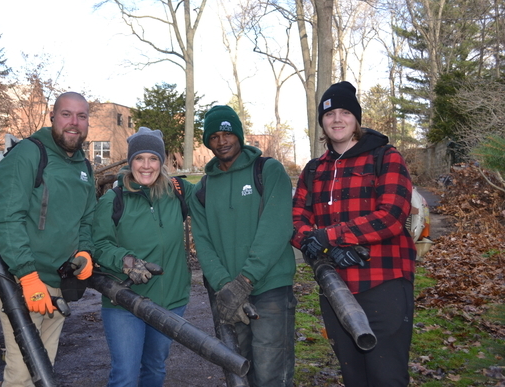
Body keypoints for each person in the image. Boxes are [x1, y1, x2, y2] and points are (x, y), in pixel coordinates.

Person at [291, 81, 416, 386]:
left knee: (386, 375)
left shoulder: (385, 157)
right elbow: (295, 222)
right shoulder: (313, 170)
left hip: (383, 282)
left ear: (357, 118)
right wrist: (325, 248)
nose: (337, 119)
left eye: (345, 112)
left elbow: (391, 216)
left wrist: (331, 236)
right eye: (329, 113)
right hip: (335, 286)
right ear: (321, 121)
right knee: (354, 375)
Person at [0, 92, 96, 386]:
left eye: (81, 116)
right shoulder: (29, 154)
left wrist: (85, 251)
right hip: (21, 284)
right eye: (66, 114)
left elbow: (87, 219)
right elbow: (6, 218)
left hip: (58, 285)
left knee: (43, 370)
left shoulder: (84, 166)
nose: (74, 123)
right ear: (52, 116)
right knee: (22, 374)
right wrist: (27, 275)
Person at [190, 105, 297, 387]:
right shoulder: (202, 189)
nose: (222, 141)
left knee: (271, 373)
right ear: (207, 142)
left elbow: (276, 229)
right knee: (238, 374)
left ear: (238, 134)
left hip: (269, 289)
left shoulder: (268, 171)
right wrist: (226, 286)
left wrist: (245, 280)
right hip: (225, 295)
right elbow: (203, 243)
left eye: (227, 133)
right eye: (213, 136)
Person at [92, 127, 194, 387]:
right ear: (130, 162)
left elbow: (217, 193)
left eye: (153, 158)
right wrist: (125, 260)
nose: (146, 166)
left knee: (154, 367)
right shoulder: (113, 200)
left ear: (161, 162)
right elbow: (98, 244)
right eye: (139, 158)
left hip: (170, 300)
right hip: (124, 303)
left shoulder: (177, 193)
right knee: (125, 375)